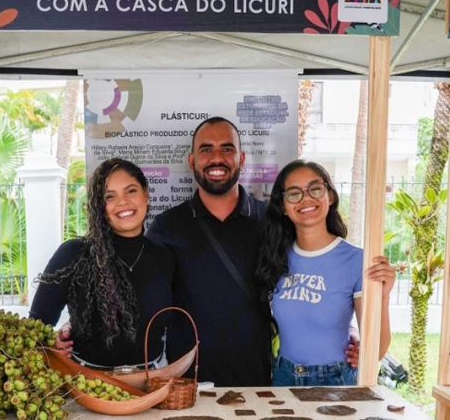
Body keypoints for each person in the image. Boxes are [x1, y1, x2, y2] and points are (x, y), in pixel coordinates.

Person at [146, 117, 273, 387]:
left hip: (257, 380)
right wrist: (77, 325)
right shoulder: (166, 226)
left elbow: (305, 280)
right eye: (206, 149)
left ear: (242, 158)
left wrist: (350, 330)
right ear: (192, 161)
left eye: (227, 149)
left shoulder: (271, 223)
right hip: (187, 384)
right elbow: (137, 290)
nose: (217, 158)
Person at [255, 159, 395, 386]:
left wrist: (384, 296)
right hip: (284, 377)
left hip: (336, 380)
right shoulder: (276, 257)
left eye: (315, 189)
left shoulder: (356, 260)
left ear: (330, 196)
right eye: (294, 193)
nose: (306, 198)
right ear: (283, 206)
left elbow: (376, 348)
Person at [29, 158, 175, 369]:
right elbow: (36, 324)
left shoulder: (164, 257)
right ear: (100, 207)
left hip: (154, 381)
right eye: (110, 196)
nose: (122, 202)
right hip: (88, 385)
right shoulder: (73, 254)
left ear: (146, 195)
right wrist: (51, 341)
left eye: (131, 191)